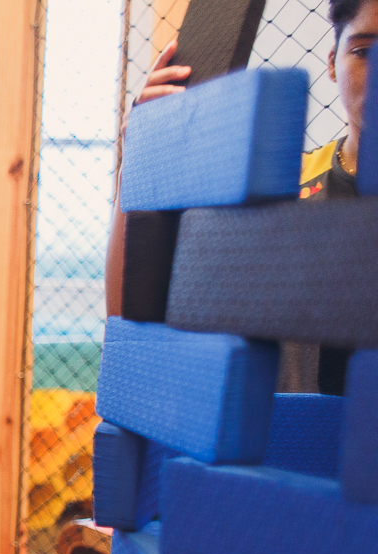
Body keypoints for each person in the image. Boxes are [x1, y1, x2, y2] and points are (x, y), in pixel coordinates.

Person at [105, 0, 375, 393]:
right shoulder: (276, 186)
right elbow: (129, 313)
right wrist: (142, 167)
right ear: (333, 63)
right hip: (280, 444)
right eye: (365, 52)